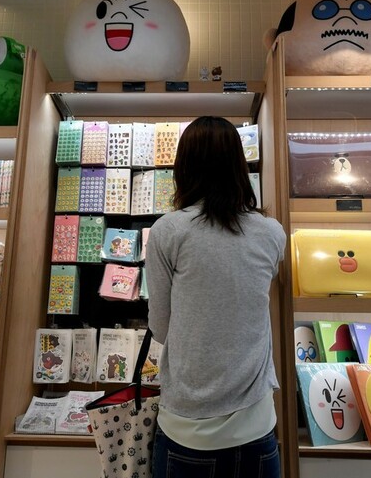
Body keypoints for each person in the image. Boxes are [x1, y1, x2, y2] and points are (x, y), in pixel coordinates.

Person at [146, 116, 287, 478]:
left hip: (186, 428)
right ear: (239, 165)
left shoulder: (168, 231)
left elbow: (160, 327)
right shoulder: (272, 233)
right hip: (256, 426)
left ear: (184, 168)